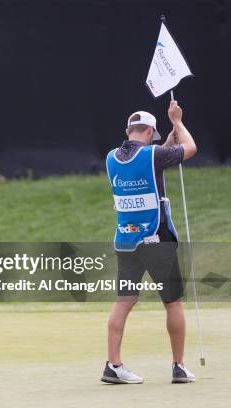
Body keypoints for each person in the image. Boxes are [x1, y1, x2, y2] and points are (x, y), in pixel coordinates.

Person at [102, 100, 197, 384]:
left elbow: (149, 162)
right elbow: (190, 149)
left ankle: (113, 366)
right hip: (156, 239)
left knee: (123, 302)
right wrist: (178, 121)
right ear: (150, 131)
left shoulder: (111, 157)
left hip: (126, 241)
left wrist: (166, 144)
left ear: (128, 130)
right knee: (173, 303)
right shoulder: (153, 155)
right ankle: (178, 367)